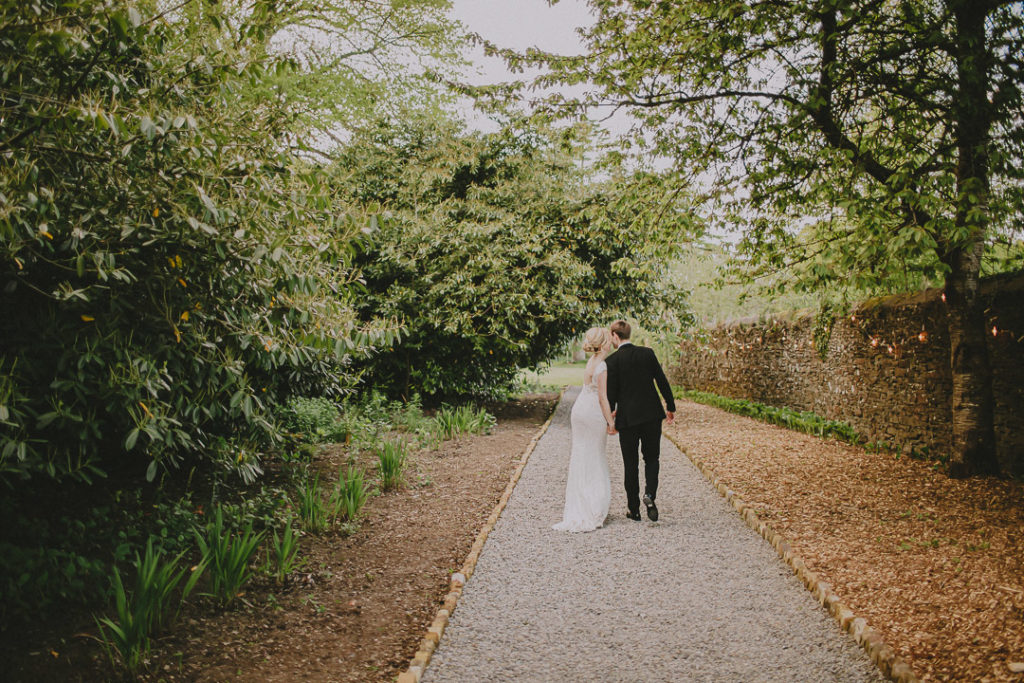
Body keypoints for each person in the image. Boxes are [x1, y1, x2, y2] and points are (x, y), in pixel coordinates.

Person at [605, 320, 675, 522]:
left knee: (630, 463)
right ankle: (650, 495)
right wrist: (670, 406)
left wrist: (610, 418)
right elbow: (662, 380)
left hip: (627, 419)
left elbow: (610, 394)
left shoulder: (612, 362)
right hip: (652, 414)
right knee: (652, 458)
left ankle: (633, 510)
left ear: (615, 336)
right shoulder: (647, 353)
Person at [552, 327, 616, 532]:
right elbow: (602, 397)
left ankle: (579, 505)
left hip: (579, 410)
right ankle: (593, 507)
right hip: (592, 413)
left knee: (581, 455)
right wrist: (611, 422)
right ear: (605, 343)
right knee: (595, 455)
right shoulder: (603, 365)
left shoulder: (591, 361)